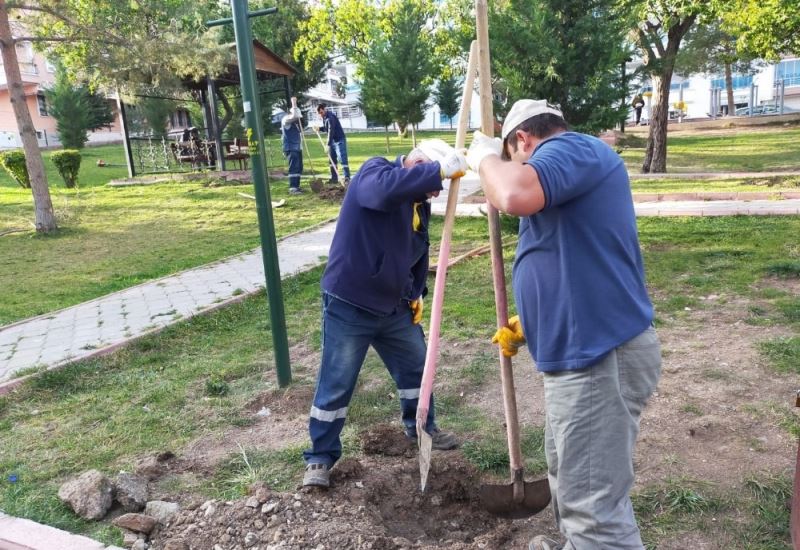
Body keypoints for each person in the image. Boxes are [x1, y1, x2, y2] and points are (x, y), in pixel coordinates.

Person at [466, 99, 661, 550]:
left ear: (524, 140)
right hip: (584, 351)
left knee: (592, 507)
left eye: (514, 156)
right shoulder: (571, 167)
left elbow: (513, 195)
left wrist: (484, 158)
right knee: (573, 478)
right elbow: (571, 253)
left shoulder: (568, 149)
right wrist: (534, 319)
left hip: (597, 358)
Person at [302, 139, 467, 488]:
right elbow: (381, 193)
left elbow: (414, 251)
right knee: (337, 382)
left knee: (417, 372)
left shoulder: (418, 203)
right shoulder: (376, 172)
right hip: (351, 302)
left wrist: (415, 292)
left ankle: (422, 428)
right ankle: (320, 457)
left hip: (395, 308)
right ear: (418, 164)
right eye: (435, 185)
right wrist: (435, 173)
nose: (435, 194)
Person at [316, 103, 351, 185]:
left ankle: (347, 178)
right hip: (332, 141)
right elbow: (326, 128)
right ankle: (334, 178)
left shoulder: (330, 117)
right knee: (332, 160)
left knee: (342, 158)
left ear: (324, 109)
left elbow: (331, 131)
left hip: (339, 140)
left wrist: (327, 144)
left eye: (321, 112)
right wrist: (319, 128)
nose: (320, 115)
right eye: (319, 113)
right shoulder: (325, 117)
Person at [281, 97, 304, 195]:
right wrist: (294, 103)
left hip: (297, 148)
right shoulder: (286, 119)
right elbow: (295, 115)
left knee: (299, 167)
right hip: (290, 148)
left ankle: (297, 186)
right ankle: (293, 188)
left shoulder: (295, 123)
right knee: (294, 167)